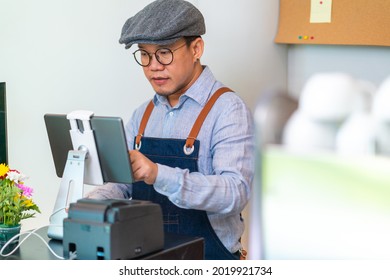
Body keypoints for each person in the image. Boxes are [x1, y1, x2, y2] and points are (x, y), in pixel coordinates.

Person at [87, 0, 255, 260]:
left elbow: (235, 192)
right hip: (148, 257)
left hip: (208, 260)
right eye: (144, 53)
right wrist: (89, 204)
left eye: (164, 52)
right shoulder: (143, 114)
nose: (153, 65)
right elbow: (123, 184)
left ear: (196, 48)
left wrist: (157, 173)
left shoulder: (228, 109)